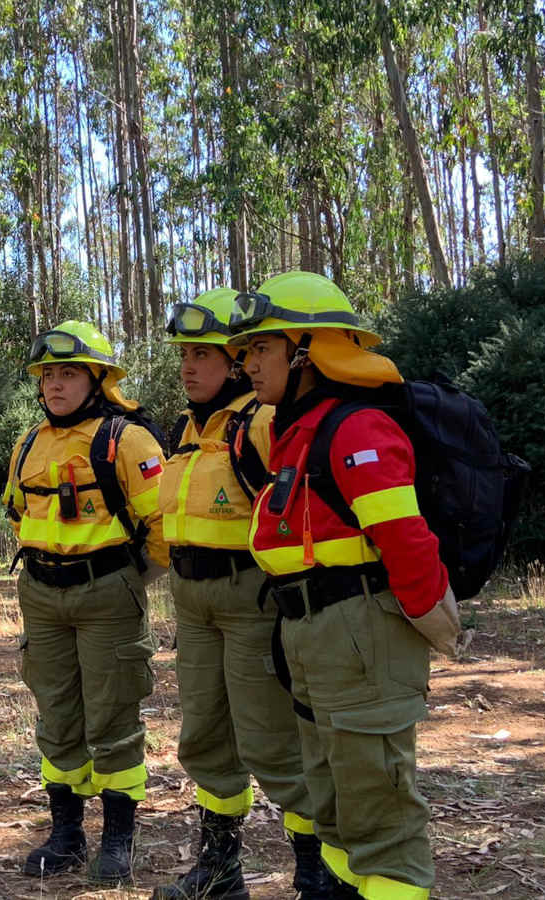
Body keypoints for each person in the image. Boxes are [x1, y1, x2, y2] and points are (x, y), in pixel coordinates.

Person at [229, 271, 459, 900]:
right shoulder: (292, 428)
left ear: (308, 350)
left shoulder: (356, 428)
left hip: (361, 629)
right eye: (247, 351)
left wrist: (427, 617)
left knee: (377, 809)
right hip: (310, 630)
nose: (247, 364)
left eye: (261, 349)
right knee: (330, 794)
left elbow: (406, 541)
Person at [154, 288, 330, 900]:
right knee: (204, 734)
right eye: (184, 355)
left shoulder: (259, 422)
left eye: (203, 355)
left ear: (235, 361)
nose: (188, 367)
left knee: (271, 739)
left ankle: (314, 870)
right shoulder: (185, 429)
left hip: (250, 597)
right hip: (192, 599)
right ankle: (221, 869)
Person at [2, 320, 169, 885]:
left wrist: (123, 581)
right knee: (56, 715)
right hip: (42, 595)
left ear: (98, 379)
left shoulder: (129, 440)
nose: (54, 384)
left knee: (113, 715)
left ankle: (117, 838)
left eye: (67, 372)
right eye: (47, 374)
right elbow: (19, 514)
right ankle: (66, 833)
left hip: (108, 593)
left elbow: (161, 527)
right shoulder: (28, 442)